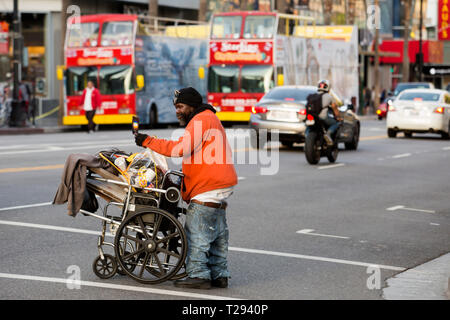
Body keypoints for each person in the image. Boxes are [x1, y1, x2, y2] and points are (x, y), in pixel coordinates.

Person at [134, 87, 238, 289]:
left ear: (191, 105)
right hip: (220, 184)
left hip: (208, 186)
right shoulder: (209, 118)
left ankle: (198, 275)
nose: (177, 111)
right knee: (216, 232)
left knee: (197, 231)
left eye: (180, 106)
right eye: (176, 107)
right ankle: (219, 274)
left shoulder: (200, 120)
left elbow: (178, 148)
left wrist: (148, 141)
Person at [317, 79, 343, 145]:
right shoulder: (329, 97)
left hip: (313, 117)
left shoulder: (313, 95)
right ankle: (328, 134)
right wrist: (338, 117)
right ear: (328, 87)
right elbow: (335, 108)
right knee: (335, 123)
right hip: (323, 117)